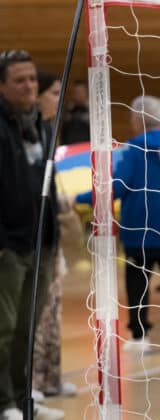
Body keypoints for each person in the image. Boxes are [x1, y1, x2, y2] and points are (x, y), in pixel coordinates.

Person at [0, 49, 65, 420]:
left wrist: (53, 235)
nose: (29, 86)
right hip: (9, 246)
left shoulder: (40, 124)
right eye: (19, 80)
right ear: (3, 86)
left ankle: (24, 398)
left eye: (32, 79)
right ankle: (3, 402)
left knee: (27, 328)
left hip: (41, 243)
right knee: (4, 328)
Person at [115, 95, 160, 354]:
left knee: (137, 283)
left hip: (138, 230)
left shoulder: (134, 148)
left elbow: (119, 186)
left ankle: (140, 336)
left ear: (135, 120)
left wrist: (82, 198)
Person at [31, 70, 79, 399]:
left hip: (51, 233)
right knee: (33, 315)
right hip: (27, 235)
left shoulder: (49, 131)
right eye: (53, 93)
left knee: (52, 309)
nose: (57, 99)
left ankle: (50, 380)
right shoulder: (26, 131)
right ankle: (29, 384)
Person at [59, 80, 90, 146]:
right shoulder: (66, 110)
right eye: (76, 92)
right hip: (69, 147)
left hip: (86, 148)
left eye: (81, 92)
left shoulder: (93, 111)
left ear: (86, 93)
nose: (78, 95)